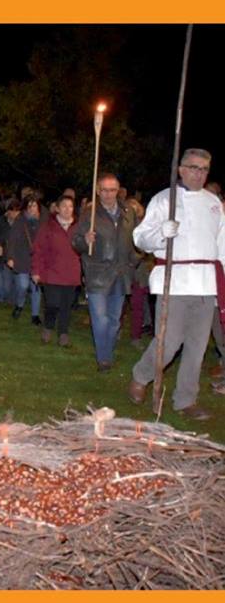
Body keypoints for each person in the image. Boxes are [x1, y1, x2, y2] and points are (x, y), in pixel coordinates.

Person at [129, 148, 225, 420]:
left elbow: (222, 244)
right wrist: (162, 233)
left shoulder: (213, 203)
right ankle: (141, 375)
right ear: (181, 169)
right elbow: (140, 237)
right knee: (168, 343)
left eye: (204, 169)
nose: (199, 173)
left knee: (196, 347)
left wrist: (222, 283)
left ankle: (185, 399)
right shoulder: (164, 199)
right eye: (194, 167)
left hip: (205, 284)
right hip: (175, 282)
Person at [72, 172, 138, 370]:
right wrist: (85, 240)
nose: (109, 194)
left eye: (112, 190)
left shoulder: (128, 212)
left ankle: (106, 352)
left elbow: (136, 240)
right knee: (100, 319)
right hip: (98, 273)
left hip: (120, 274)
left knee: (114, 320)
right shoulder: (89, 214)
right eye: (104, 190)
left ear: (118, 191)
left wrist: (136, 260)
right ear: (98, 191)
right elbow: (75, 242)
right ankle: (104, 358)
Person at [31, 194, 81, 346]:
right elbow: (38, 250)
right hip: (52, 272)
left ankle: (63, 333)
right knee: (52, 303)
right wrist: (36, 270)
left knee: (66, 305)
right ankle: (48, 327)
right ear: (57, 208)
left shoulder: (79, 228)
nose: (67, 209)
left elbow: (85, 249)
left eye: (70, 206)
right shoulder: (48, 227)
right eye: (64, 206)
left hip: (71, 272)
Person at [7, 196, 42, 324]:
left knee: (36, 287)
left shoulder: (43, 222)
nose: (32, 209)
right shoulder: (20, 221)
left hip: (37, 259)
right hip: (22, 258)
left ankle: (35, 315)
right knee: (23, 285)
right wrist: (10, 257)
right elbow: (12, 240)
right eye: (30, 206)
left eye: (35, 206)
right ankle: (19, 304)